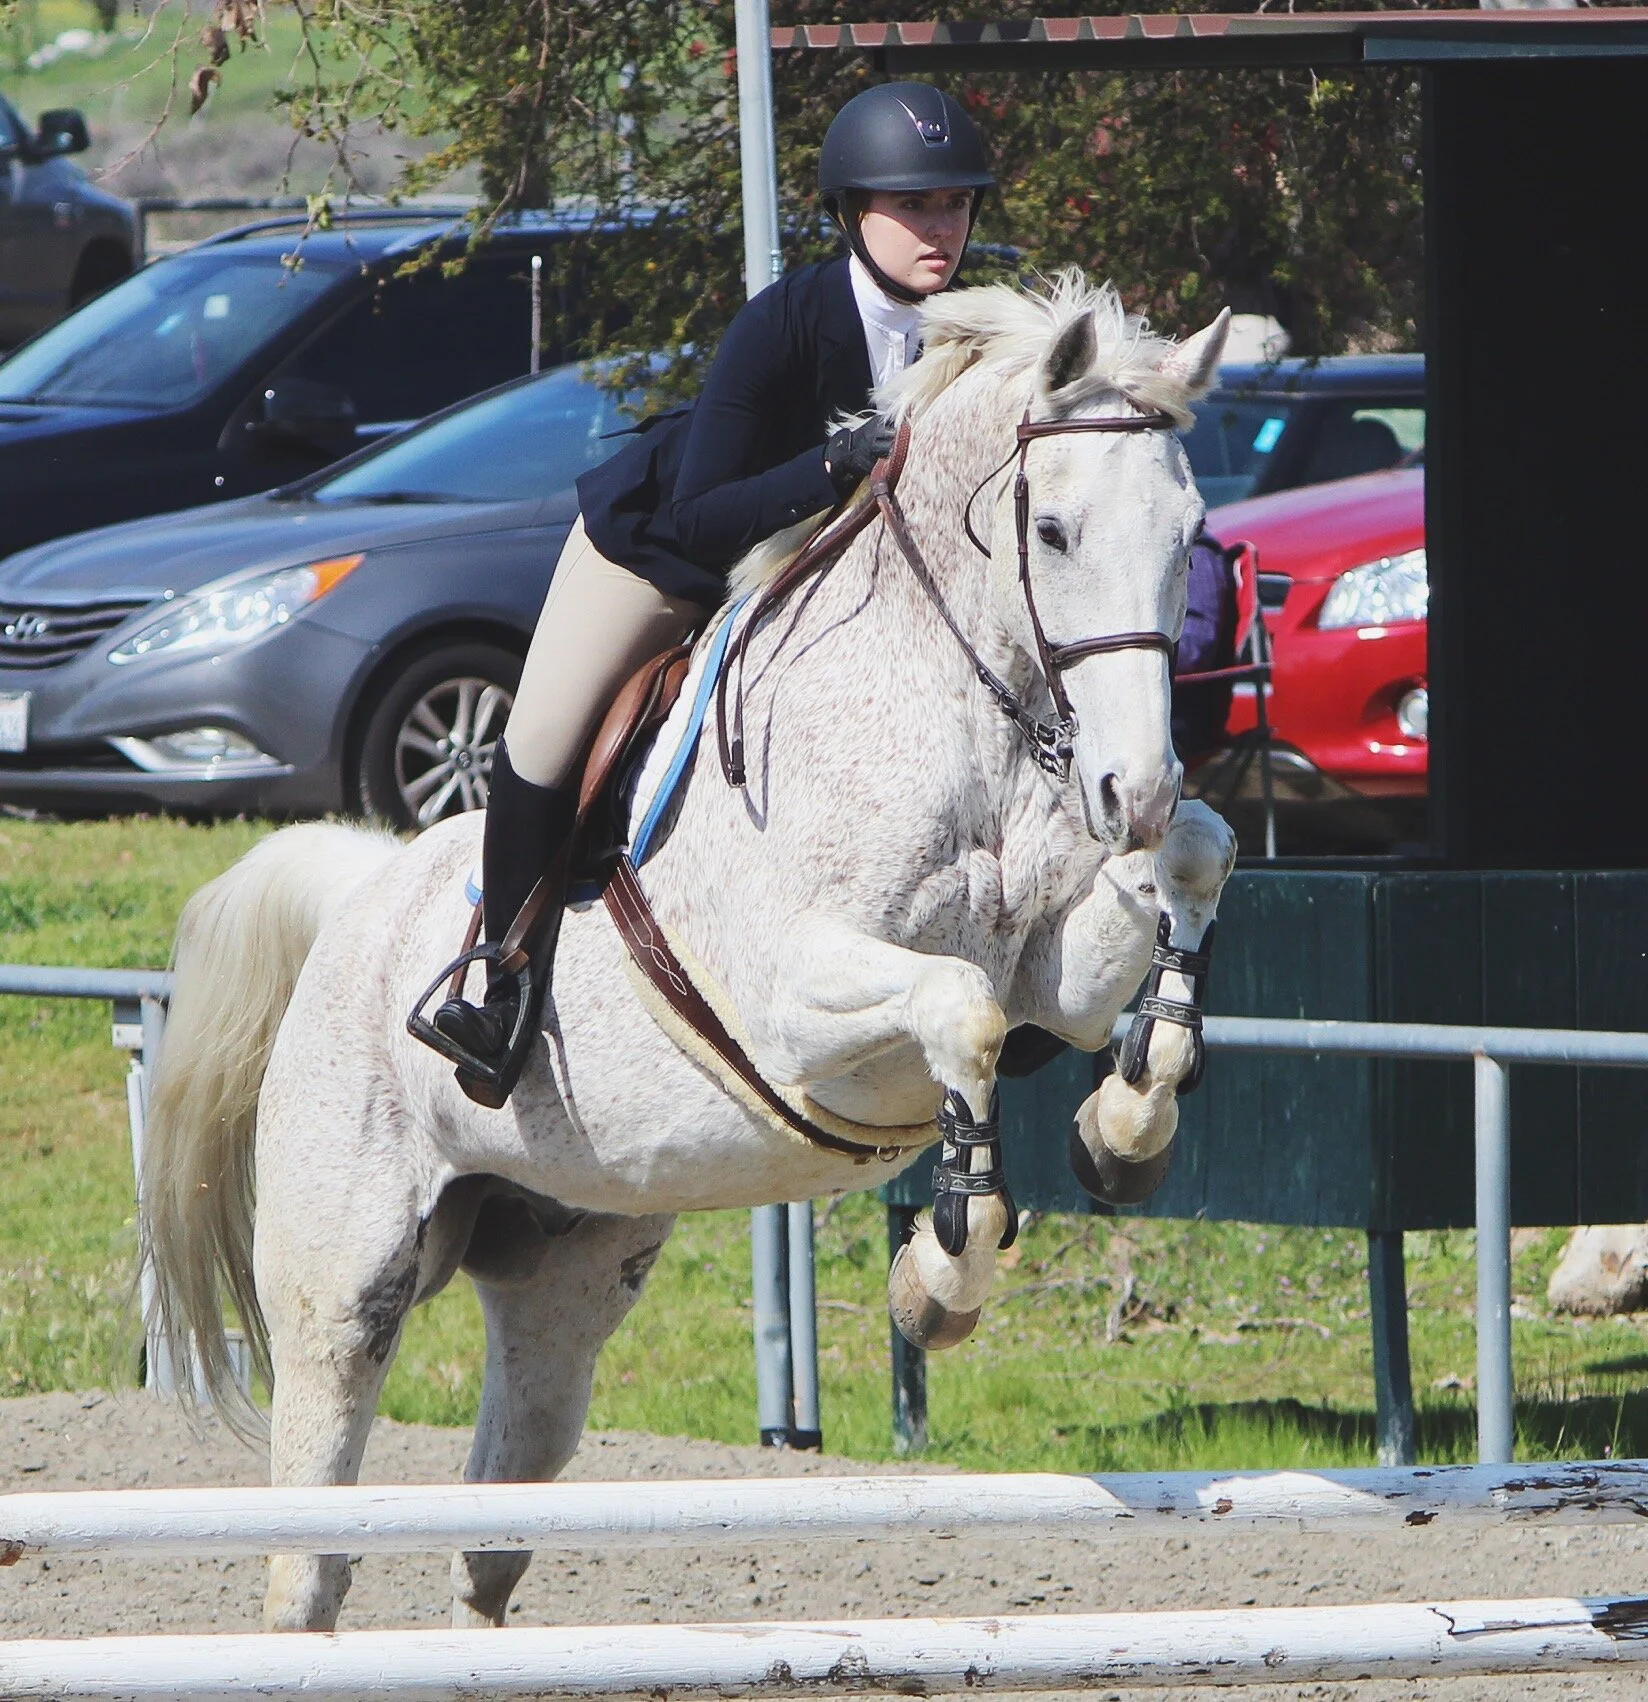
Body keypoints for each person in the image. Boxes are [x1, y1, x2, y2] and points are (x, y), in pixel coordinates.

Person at [424, 81, 995, 1105]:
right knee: (546, 736)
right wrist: (830, 467)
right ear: (850, 215)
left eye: (953, 205)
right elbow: (699, 514)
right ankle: (498, 983)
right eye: (913, 206)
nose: (938, 229)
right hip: (665, 555)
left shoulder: (977, 326)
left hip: (819, 581)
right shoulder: (783, 323)